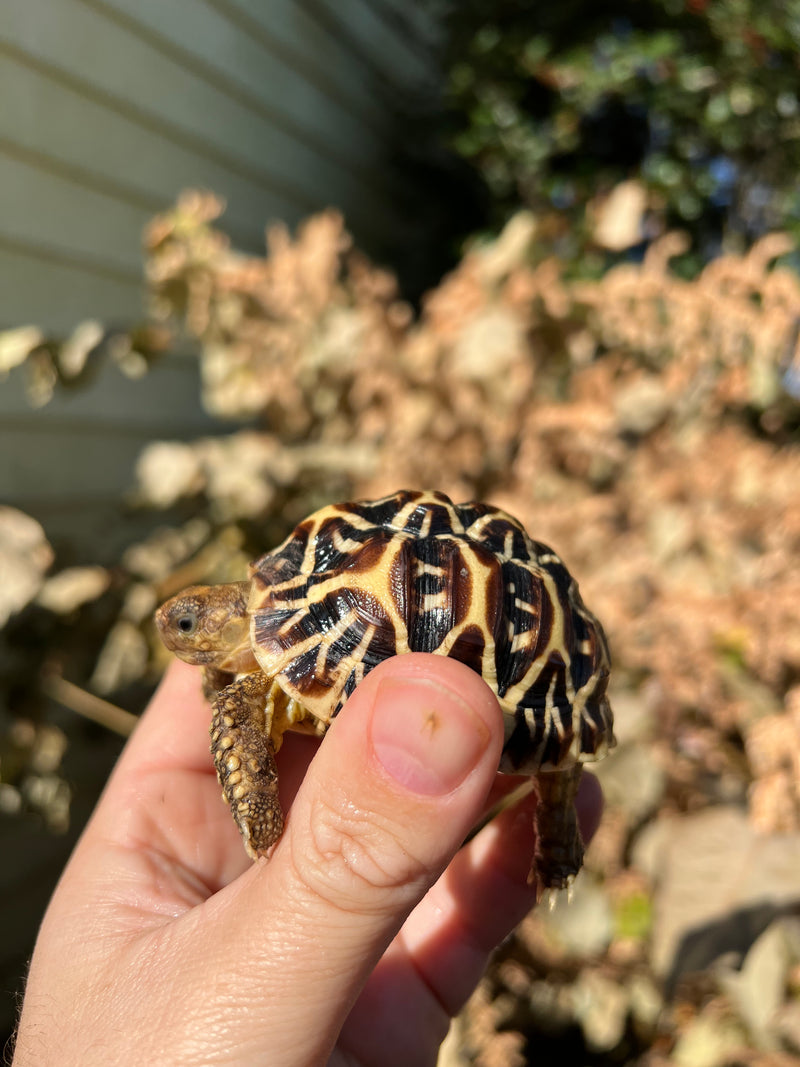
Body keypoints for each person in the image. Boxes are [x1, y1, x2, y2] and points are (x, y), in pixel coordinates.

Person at [11, 653, 602, 1066]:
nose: (180, 640)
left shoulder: (253, 683)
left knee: (558, 785)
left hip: (528, 678)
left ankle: (558, 830)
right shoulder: (247, 676)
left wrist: (270, 829)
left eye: (191, 624)